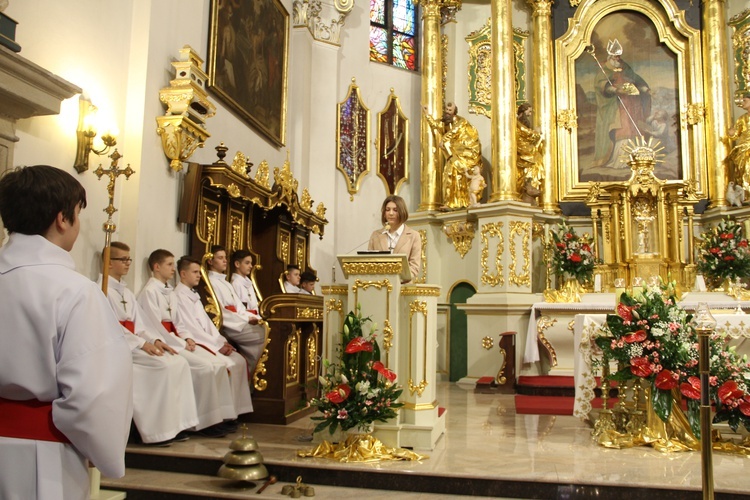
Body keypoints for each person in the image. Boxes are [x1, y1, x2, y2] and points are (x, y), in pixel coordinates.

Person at [0, 165, 133, 499]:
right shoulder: (75, 291)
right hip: (40, 456)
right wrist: (101, 450)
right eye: (77, 214)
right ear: (63, 218)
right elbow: (93, 396)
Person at [99, 242, 199, 445]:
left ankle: (175, 425)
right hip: (118, 345)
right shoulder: (101, 290)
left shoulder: (125, 292)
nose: (128, 263)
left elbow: (141, 324)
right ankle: (152, 430)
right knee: (161, 366)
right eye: (123, 259)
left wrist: (156, 340)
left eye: (129, 259)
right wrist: (141, 343)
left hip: (134, 342)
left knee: (177, 362)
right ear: (108, 263)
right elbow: (110, 325)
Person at [136, 248, 237, 437]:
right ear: (156, 267)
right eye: (169, 265)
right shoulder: (149, 292)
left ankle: (217, 417)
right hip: (168, 342)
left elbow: (178, 323)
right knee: (205, 367)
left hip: (178, 339)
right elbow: (156, 326)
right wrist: (181, 342)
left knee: (216, 364)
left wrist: (187, 337)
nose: (173, 269)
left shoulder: (169, 292)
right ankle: (202, 421)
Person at [173, 256, 254, 419]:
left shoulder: (192, 294)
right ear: (183, 274)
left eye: (199, 272)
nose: (199, 275)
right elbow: (190, 328)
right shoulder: (178, 295)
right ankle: (216, 416)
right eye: (195, 272)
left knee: (238, 360)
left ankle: (234, 412)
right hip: (196, 342)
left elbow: (207, 324)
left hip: (208, 341)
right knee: (225, 364)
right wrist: (216, 346)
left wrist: (221, 340)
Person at [593, 39, 651, 168]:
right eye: (615, 56)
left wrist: (645, 89)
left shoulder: (625, 67)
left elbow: (636, 79)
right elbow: (601, 86)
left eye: (619, 56)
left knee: (632, 126)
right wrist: (615, 89)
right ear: (610, 56)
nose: (618, 58)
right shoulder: (604, 69)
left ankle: (635, 158)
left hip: (630, 103)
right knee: (622, 127)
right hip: (616, 105)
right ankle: (619, 160)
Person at [207, 245, 265, 374]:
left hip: (239, 321)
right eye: (220, 258)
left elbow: (239, 307)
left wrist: (253, 318)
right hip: (231, 325)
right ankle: (254, 372)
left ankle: (253, 372)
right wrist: (246, 319)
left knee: (266, 331)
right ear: (210, 261)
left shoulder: (226, 283)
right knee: (264, 337)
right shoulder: (210, 282)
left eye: (225, 258)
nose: (224, 261)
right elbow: (221, 311)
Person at [424, 102, 482, 209]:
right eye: (446, 110)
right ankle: (450, 202)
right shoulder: (445, 122)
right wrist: (427, 113)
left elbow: (453, 132)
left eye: (449, 111)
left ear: (454, 113)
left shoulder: (461, 121)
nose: (447, 112)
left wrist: (443, 140)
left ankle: (463, 202)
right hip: (453, 155)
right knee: (449, 175)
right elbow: (435, 124)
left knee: (461, 178)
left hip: (464, 153)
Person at [367, 195, 421, 283]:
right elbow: (369, 262)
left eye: (395, 210)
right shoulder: (376, 235)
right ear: (384, 214)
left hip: (403, 288)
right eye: (387, 210)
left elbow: (414, 267)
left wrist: (396, 279)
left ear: (402, 212)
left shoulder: (414, 236)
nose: (391, 213)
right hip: (379, 285)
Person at [515, 103, 544, 205]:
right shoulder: (517, 122)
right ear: (523, 110)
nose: (530, 114)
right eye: (529, 111)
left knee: (538, 160)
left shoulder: (524, 122)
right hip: (522, 147)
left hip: (526, 146)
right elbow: (525, 132)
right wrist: (536, 133)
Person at [727, 92, 750, 196]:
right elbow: (736, 134)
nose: (742, 103)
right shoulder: (742, 118)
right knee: (743, 168)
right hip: (743, 147)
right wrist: (731, 133)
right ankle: (746, 193)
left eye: (745, 101)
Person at [230, 249, 260, 314]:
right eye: (247, 263)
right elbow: (238, 309)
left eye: (251, 263)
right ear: (237, 264)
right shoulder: (235, 283)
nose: (251, 266)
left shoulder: (248, 283)